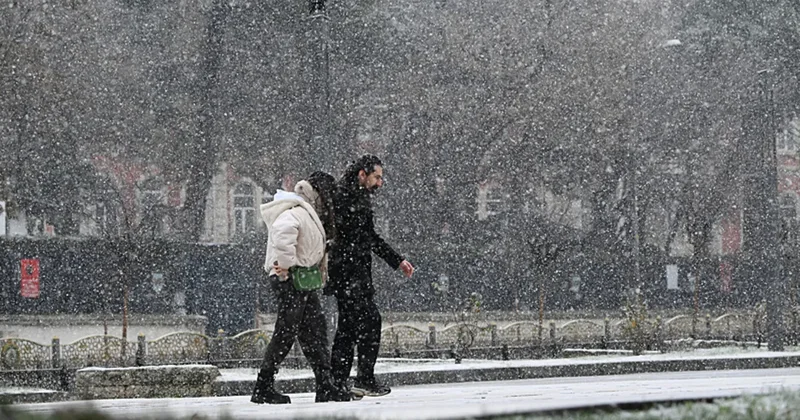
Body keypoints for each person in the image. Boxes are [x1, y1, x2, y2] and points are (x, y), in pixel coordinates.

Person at [251, 171, 351, 404]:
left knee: (314, 331)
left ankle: (324, 385)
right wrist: (286, 265)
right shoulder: (296, 210)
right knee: (287, 332)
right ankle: (263, 386)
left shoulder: (304, 210)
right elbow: (282, 232)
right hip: (290, 279)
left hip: (300, 280)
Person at [326, 155, 415, 397]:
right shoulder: (347, 198)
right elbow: (363, 238)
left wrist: (397, 261)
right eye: (377, 177)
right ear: (362, 174)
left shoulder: (352, 196)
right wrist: (395, 260)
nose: (380, 183)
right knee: (370, 321)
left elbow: (368, 237)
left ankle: (338, 382)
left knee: (347, 328)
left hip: (348, 273)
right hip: (350, 273)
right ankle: (363, 379)